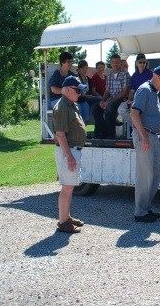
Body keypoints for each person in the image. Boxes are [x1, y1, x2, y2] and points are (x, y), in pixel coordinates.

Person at [130, 65, 160, 222]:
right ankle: (140, 212)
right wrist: (144, 136)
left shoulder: (154, 92)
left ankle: (146, 208)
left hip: (152, 136)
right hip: (145, 138)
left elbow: (149, 115)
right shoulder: (145, 90)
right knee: (145, 176)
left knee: (155, 173)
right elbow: (134, 114)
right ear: (159, 77)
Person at [52, 75, 88, 233]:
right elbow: (60, 134)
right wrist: (69, 156)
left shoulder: (71, 104)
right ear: (66, 90)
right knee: (67, 188)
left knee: (69, 187)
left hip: (73, 150)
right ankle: (63, 222)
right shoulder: (62, 106)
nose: (79, 93)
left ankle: (66, 217)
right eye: (77, 90)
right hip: (69, 151)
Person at [92, 53, 129, 139]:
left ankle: (111, 134)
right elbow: (107, 90)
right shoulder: (109, 75)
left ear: (120, 63)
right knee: (95, 108)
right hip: (111, 99)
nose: (115, 64)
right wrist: (103, 100)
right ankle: (103, 131)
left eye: (117, 62)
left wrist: (108, 101)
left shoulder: (125, 74)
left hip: (121, 99)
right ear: (110, 63)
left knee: (109, 106)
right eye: (113, 62)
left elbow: (124, 92)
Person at [117, 53, 153, 125]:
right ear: (136, 63)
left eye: (144, 62)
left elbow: (152, 90)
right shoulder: (134, 75)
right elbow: (132, 91)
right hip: (135, 100)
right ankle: (136, 126)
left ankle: (139, 127)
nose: (142, 64)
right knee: (121, 109)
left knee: (134, 110)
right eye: (140, 62)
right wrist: (129, 100)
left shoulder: (150, 74)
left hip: (147, 100)